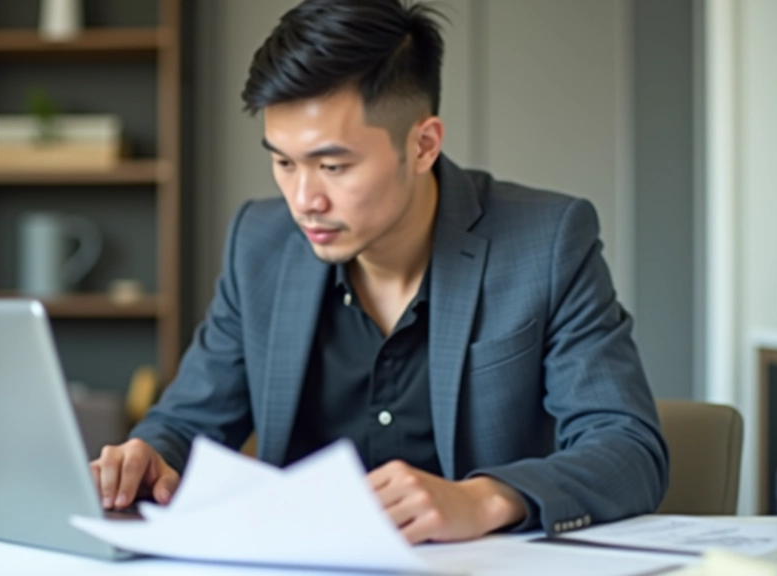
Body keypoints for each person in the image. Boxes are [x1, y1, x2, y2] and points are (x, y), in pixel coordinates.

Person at [91, 0, 668, 544]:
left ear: (422, 146)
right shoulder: (259, 244)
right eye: (283, 162)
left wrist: (486, 499)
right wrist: (149, 454)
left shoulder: (547, 242)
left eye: (333, 166)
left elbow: (628, 448)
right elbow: (188, 421)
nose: (303, 199)